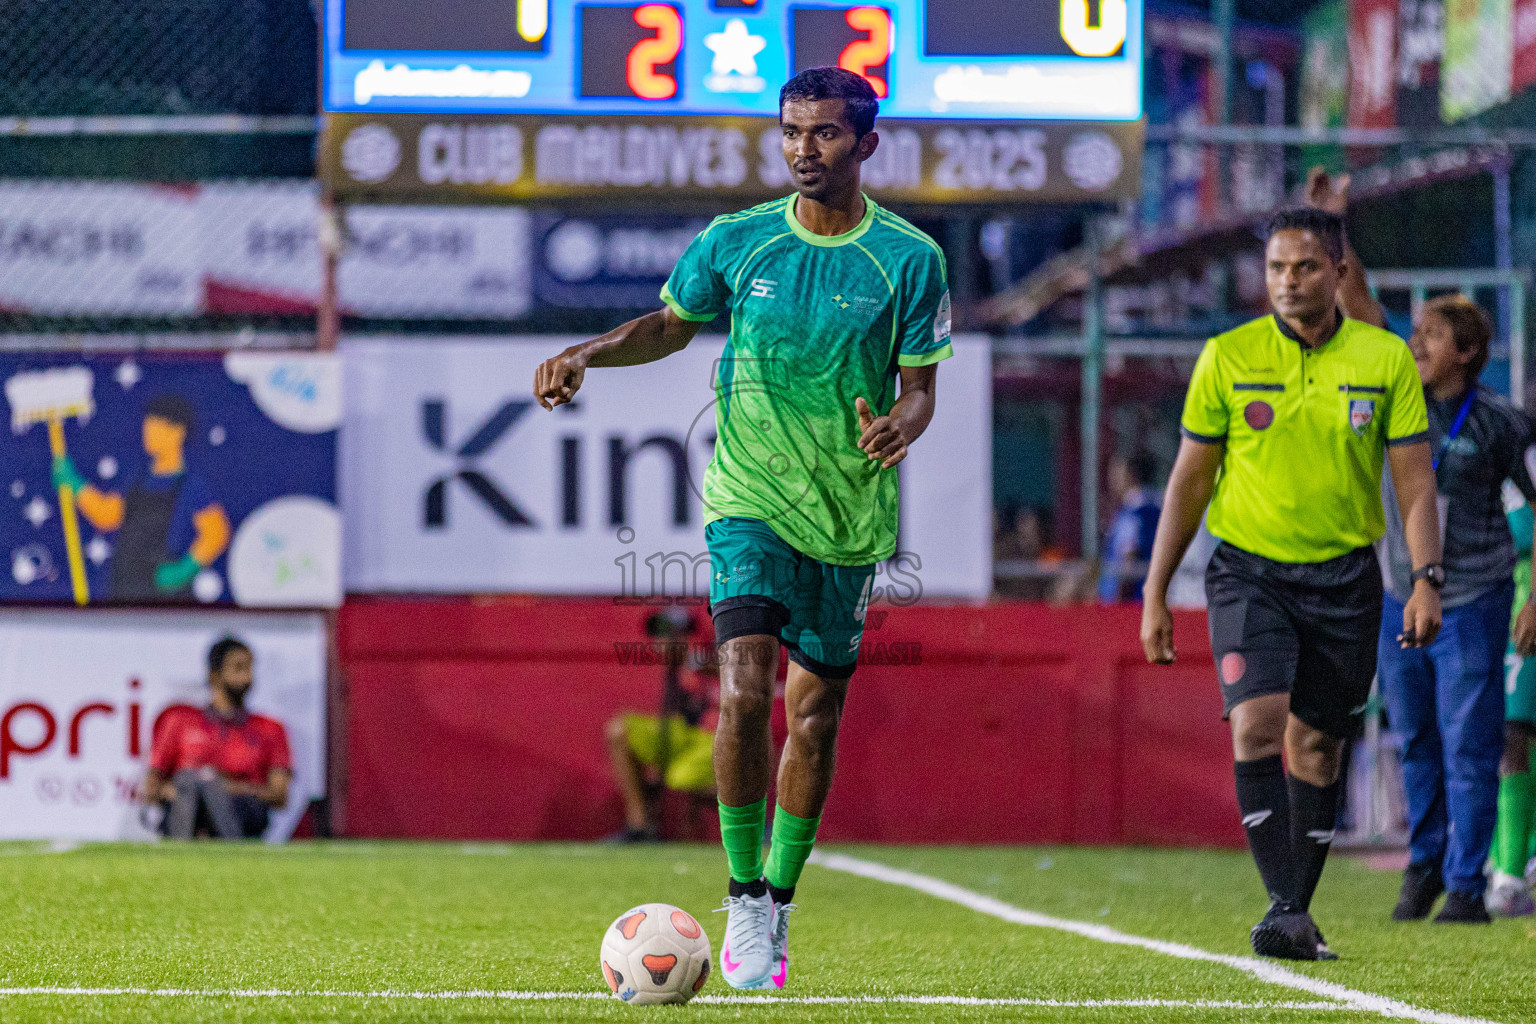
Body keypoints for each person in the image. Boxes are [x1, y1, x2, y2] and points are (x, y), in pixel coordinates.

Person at [534, 67, 950, 990]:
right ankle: (742, 899)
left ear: (866, 144)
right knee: (745, 687)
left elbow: (920, 389)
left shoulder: (909, 259)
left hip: (846, 516)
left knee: (815, 713)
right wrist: (588, 353)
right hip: (747, 499)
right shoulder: (738, 240)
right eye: (793, 132)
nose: (806, 149)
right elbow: (670, 326)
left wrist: (903, 424)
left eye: (827, 134)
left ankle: (781, 898)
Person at [1140, 205, 1442, 960]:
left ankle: (1292, 912)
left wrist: (1426, 578)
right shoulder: (1227, 357)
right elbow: (1189, 480)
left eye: (1304, 267)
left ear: (1338, 273)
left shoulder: (1385, 360)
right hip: (1249, 572)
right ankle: (1283, 906)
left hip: (1347, 577)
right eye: (1276, 268)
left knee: (1318, 750)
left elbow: (1411, 484)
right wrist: (1154, 589)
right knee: (1255, 725)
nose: (1287, 281)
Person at [1306, 168, 1536, 922]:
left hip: (1473, 597)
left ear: (1467, 352)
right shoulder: (1395, 389)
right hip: (1399, 592)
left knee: (1471, 744)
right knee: (1414, 739)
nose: (1416, 344)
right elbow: (1361, 306)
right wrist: (1333, 228)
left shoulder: (1502, 423)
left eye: (1432, 336)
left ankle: (1467, 884)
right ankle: (1426, 863)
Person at [54, 394, 231, 601]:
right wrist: (75, 484)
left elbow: (217, 532)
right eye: (148, 426)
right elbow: (108, 516)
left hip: (163, 591)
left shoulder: (191, 486)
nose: (148, 433)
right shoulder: (137, 480)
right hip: (125, 582)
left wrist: (185, 568)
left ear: (178, 432)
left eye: (156, 427)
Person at [142, 636, 293, 839]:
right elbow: (151, 789)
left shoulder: (270, 728)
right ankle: (185, 852)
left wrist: (224, 789)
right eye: (237, 668)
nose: (246, 678)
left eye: (249, 668)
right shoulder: (179, 721)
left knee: (208, 788)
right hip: (187, 812)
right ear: (214, 675)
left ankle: (227, 849)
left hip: (242, 813)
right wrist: (190, 789)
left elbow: (280, 795)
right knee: (190, 785)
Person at [605, 609, 719, 843]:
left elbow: (727, 669)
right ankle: (639, 828)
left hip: (710, 738)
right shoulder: (676, 664)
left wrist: (688, 656)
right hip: (681, 733)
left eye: (668, 632)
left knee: (682, 778)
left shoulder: (711, 645)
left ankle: (758, 823)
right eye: (660, 633)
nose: (661, 639)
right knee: (619, 730)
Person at [1491, 496, 1536, 916]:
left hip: (1525, 597)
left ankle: (1514, 863)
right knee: (1508, 733)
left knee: (1517, 733)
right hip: (1500, 602)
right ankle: (1507, 864)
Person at [1098, 451, 1162, 602]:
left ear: (1131, 475)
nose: (1112, 479)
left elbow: (1129, 559)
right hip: (1150, 598)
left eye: (1117, 472)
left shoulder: (1132, 514)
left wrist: (1118, 599)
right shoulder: (1159, 508)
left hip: (1129, 602)